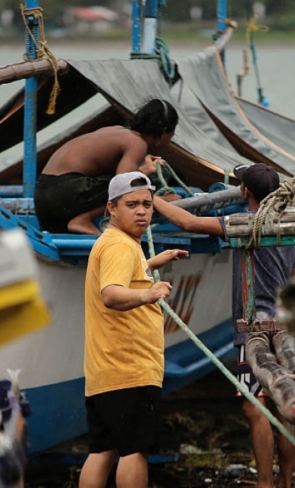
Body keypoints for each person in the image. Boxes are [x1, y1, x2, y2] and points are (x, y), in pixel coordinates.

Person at [153, 163, 295, 488]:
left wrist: (149, 197)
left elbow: (187, 221)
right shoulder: (288, 226)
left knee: (255, 406)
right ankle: (286, 482)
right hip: (287, 328)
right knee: (284, 404)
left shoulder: (241, 223)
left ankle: (265, 483)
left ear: (245, 191)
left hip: (253, 333)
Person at [80, 171, 190, 488]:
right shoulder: (121, 247)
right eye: (131, 204)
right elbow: (112, 294)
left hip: (104, 371)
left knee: (101, 449)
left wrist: (153, 263)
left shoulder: (116, 243)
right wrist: (149, 293)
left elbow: (123, 274)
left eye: (146, 203)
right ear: (111, 208)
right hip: (130, 368)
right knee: (134, 451)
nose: (141, 211)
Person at [35, 98, 179, 235]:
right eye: (171, 135)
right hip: (65, 191)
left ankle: (80, 221)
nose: (170, 141)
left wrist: (142, 171)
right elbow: (123, 185)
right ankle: (83, 220)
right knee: (126, 186)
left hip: (42, 197)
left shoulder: (116, 131)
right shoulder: (137, 143)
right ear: (164, 131)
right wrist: (163, 199)